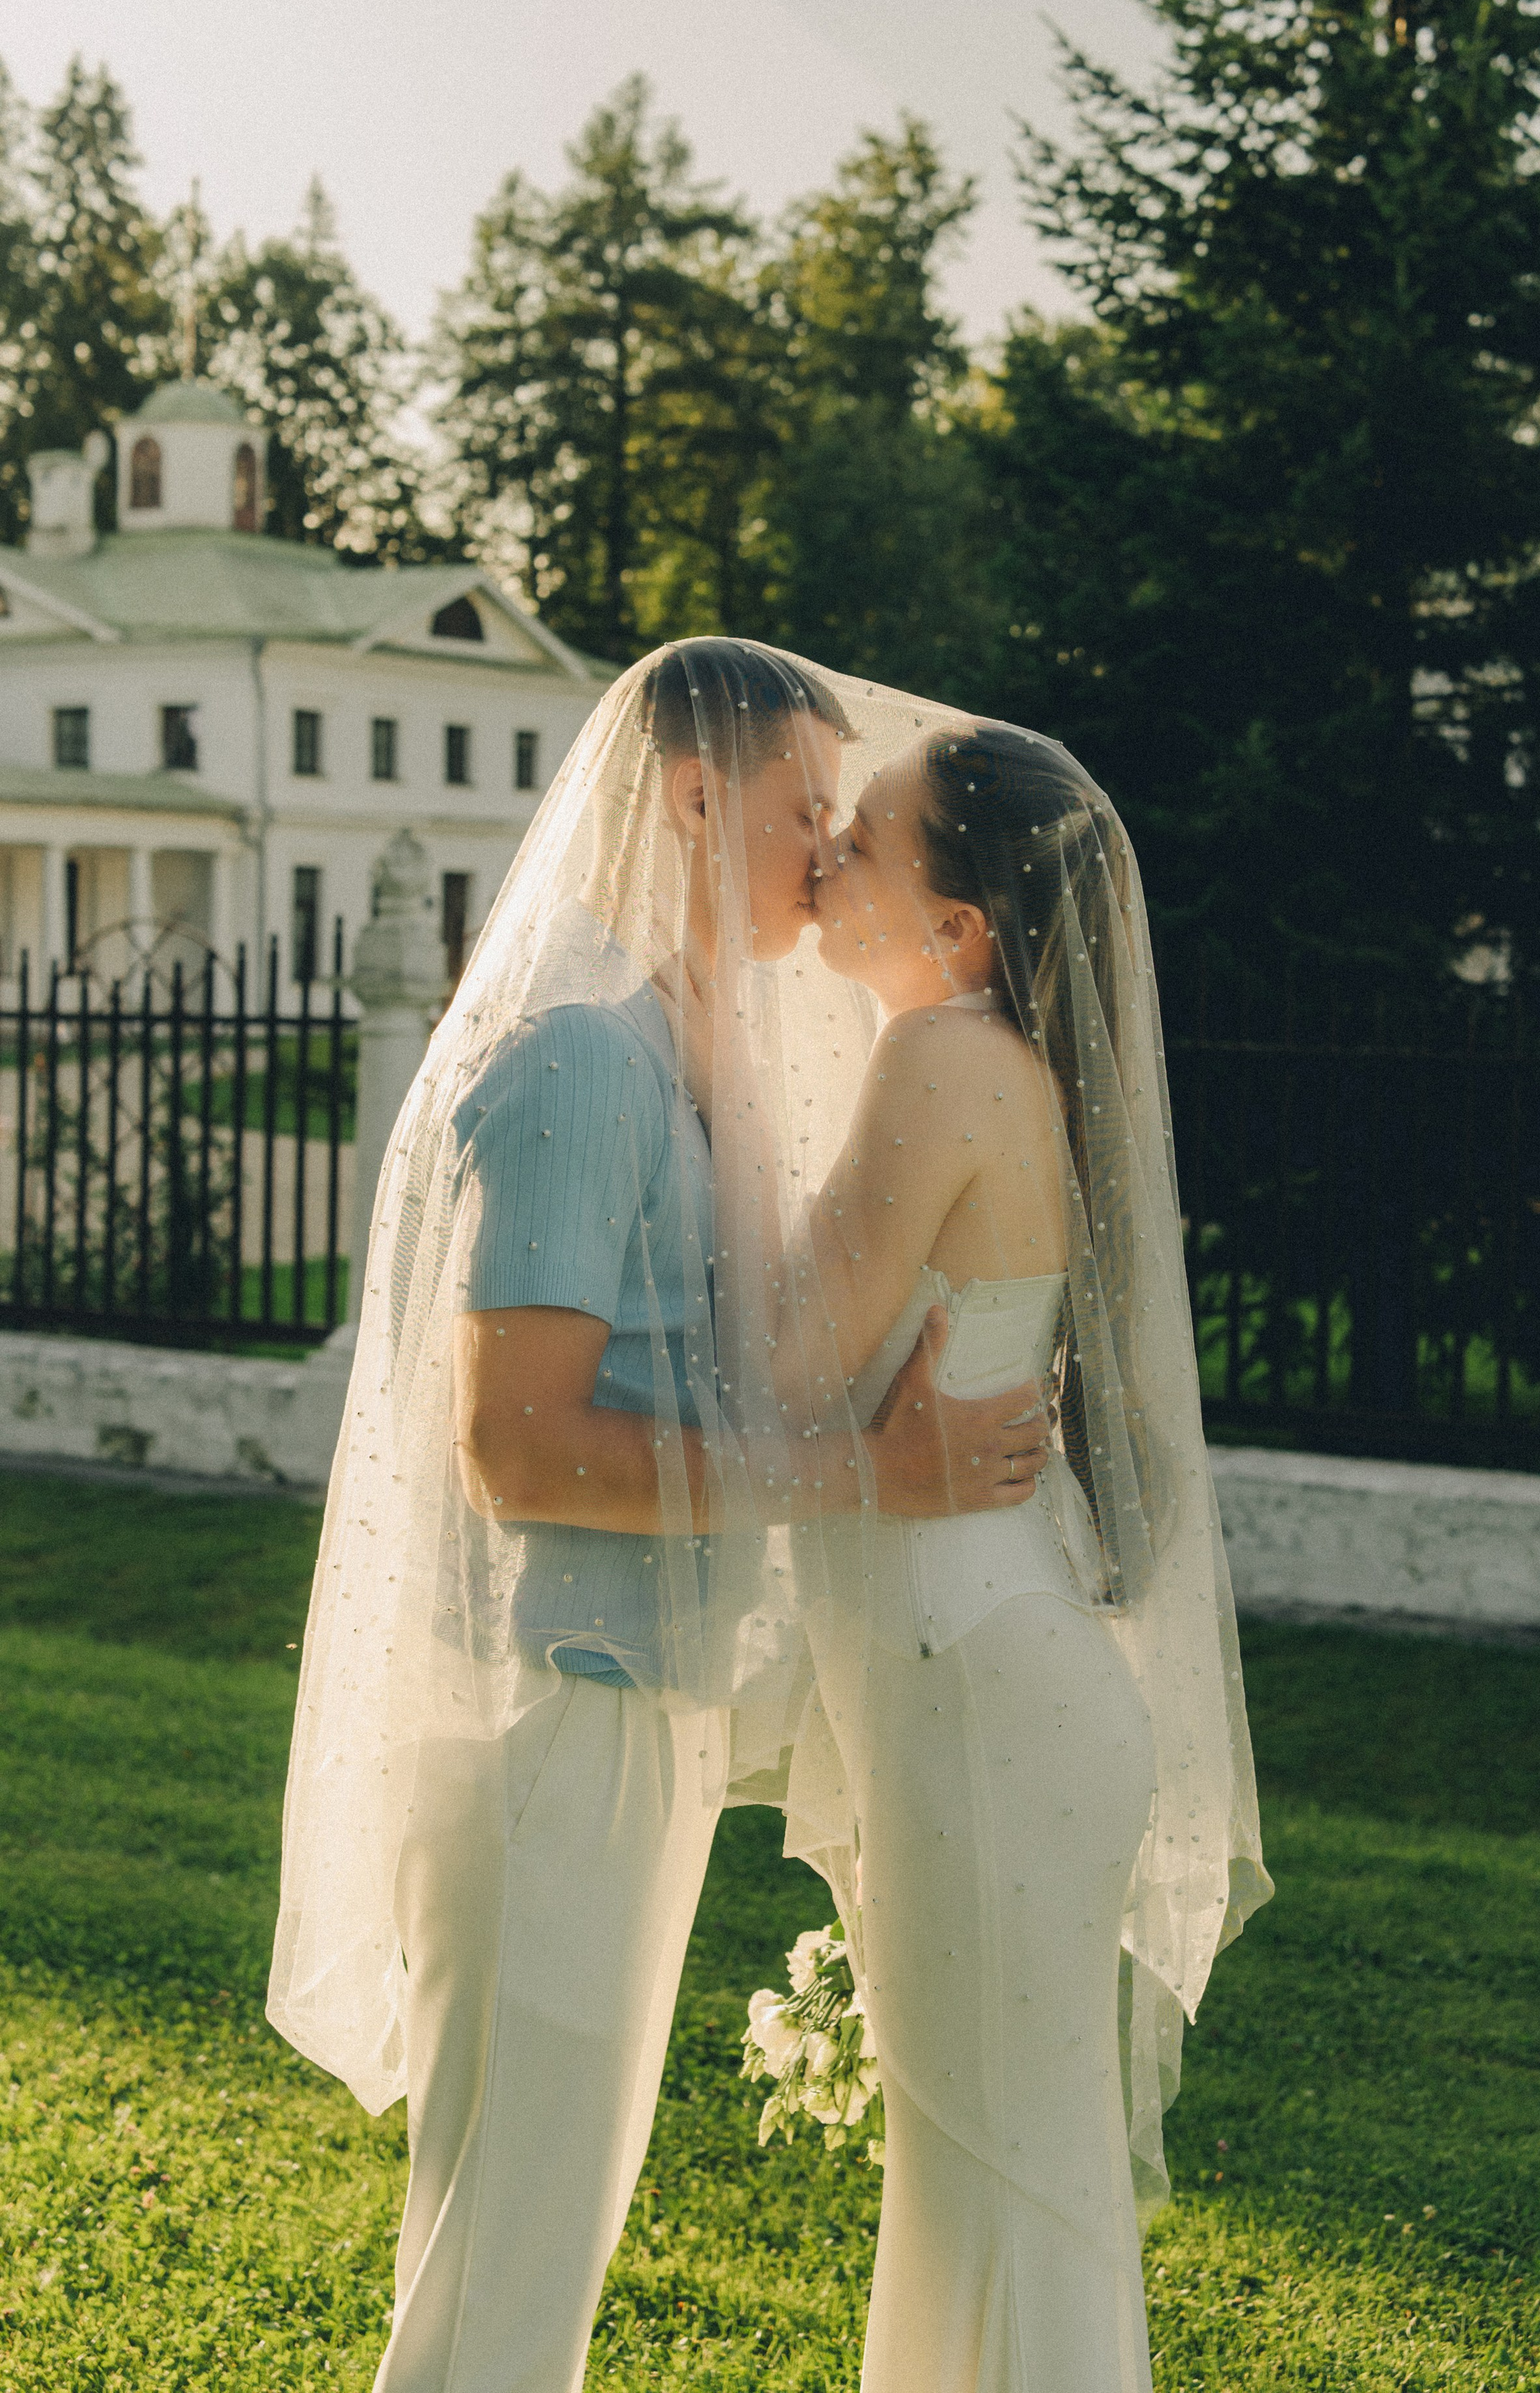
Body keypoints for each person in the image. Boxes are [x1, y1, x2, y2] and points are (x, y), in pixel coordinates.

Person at [268, 642, 1051, 2393]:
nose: (827, 850)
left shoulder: (678, 1052)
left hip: (633, 1693)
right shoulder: (583, 1065)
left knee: (533, 2236)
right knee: (510, 2257)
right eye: (799, 810)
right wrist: (877, 1478)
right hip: (564, 1704)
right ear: (696, 798)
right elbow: (519, 1449)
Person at [768, 709, 1272, 2393]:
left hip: (976, 1684)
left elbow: (777, 1369)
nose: (824, 853)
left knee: (997, 2177)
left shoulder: (939, 1063)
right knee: (994, 2175)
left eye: (862, 845)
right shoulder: (987, 1061)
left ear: (959, 930)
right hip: (991, 1674)